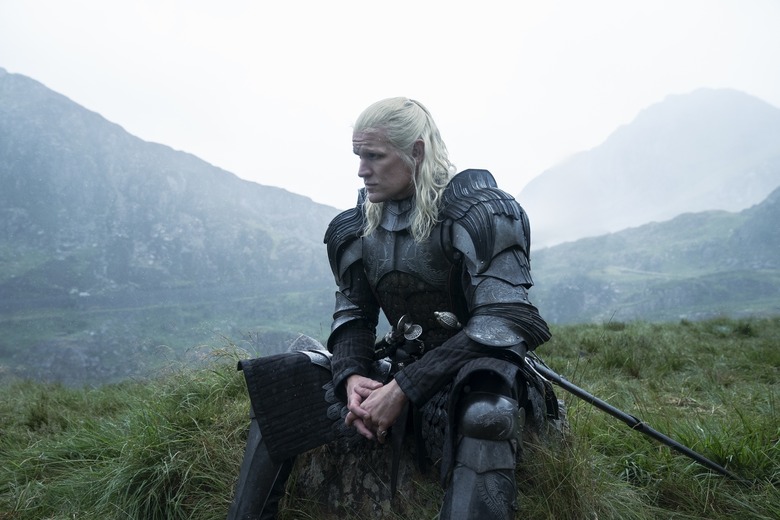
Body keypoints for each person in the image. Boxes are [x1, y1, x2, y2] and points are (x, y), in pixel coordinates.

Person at [227, 97, 558, 520]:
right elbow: (354, 315)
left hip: (475, 371)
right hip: (401, 366)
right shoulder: (358, 224)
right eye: (358, 156)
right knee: (283, 378)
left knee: (486, 415)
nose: (362, 169)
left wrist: (403, 390)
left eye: (374, 156)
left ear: (416, 152)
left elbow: (503, 320)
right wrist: (353, 379)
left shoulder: (482, 213)